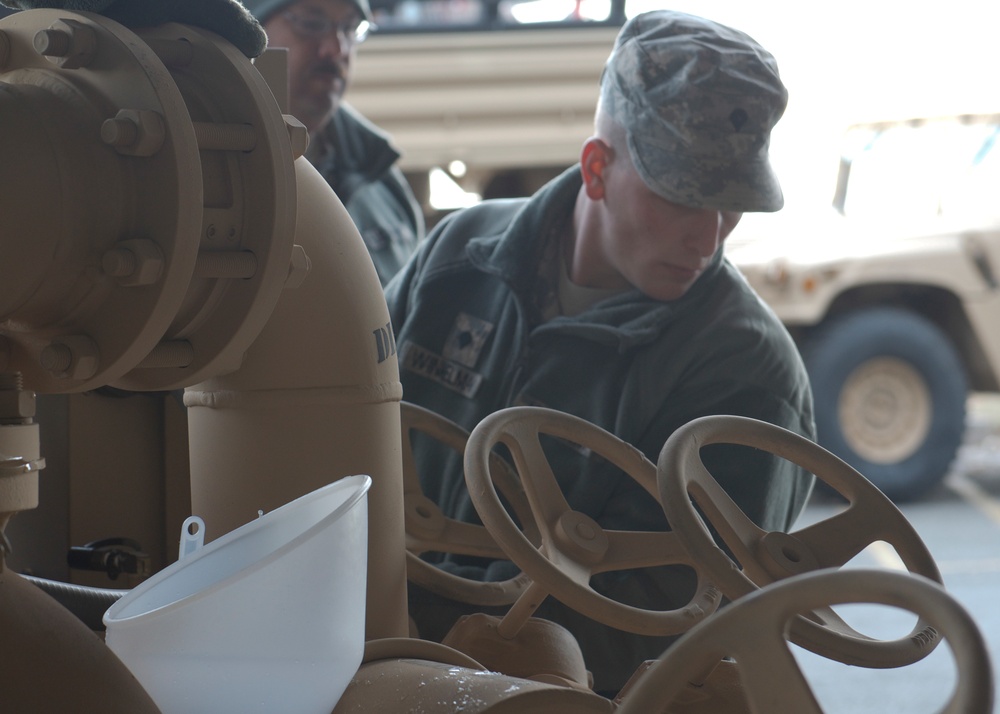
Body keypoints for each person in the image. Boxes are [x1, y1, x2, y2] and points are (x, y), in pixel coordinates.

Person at [385, 9, 817, 695]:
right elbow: (345, 430)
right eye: (681, 199)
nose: (708, 239)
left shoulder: (747, 376)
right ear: (596, 169)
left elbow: (673, 626)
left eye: (731, 204)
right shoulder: (458, 257)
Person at [243, 0, 423, 285]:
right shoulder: (214, 171)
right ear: (249, 31)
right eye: (311, 23)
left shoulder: (380, 177)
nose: (337, 49)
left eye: (350, 28)